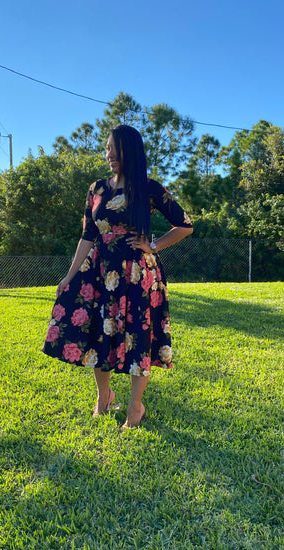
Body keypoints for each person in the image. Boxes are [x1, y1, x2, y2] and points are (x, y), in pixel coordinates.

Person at [42, 125, 193, 428]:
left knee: (139, 337)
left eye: (114, 148)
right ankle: (104, 397)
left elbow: (185, 225)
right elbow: (87, 235)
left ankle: (135, 407)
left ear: (129, 150)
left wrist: (152, 245)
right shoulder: (97, 188)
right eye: (107, 148)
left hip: (138, 274)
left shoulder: (149, 188)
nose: (108, 153)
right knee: (100, 335)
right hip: (100, 271)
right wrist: (69, 275)